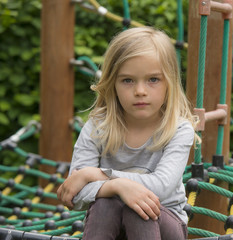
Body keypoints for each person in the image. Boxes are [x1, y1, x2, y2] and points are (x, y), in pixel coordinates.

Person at [57, 26, 199, 240]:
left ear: (169, 83)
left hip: (163, 225)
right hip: (110, 225)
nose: (140, 90)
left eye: (153, 79)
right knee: (105, 203)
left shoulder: (178, 129)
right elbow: (73, 194)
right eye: (127, 80)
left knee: (138, 207)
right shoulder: (98, 126)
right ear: (112, 83)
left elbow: (160, 188)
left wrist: (93, 175)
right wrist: (117, 186)